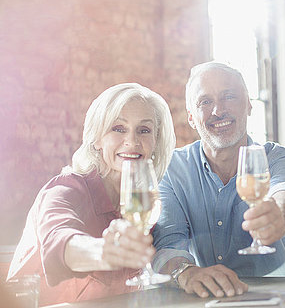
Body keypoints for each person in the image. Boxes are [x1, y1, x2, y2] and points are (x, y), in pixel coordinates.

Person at [7, 83, 176, 305]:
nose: (133, 141)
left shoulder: (142, 206)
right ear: (96, 139)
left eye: (144, 130)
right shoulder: (64, 190)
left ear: (155, 142)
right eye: (118, 128)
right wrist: (104, 251)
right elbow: (59, 242)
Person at [152, 62, 285, 299]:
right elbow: (169, 242)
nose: (218, 110)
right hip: (204, 299)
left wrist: (279, 216)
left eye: (229, 96)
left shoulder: (282, 159)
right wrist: (186, 272)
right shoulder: (172, 169)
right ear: (192, 117)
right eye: (205, 101)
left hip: (280, 298)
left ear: (248, 105)